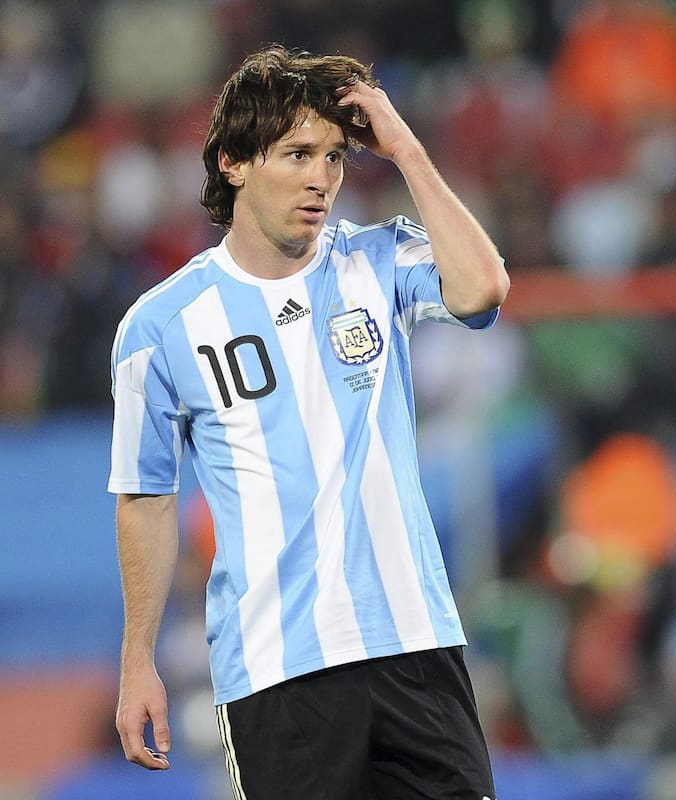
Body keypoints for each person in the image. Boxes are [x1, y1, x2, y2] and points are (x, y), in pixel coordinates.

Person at [108, 45, 508, 799]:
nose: (321, 176)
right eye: (297, 154)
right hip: (277, 670)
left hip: (414, 642)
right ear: (233, 163)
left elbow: (484, 288)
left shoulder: (376, 258)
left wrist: (407, 149)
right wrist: (138, 663)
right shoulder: (159, 326)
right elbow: (146, 497)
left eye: (333, 156)